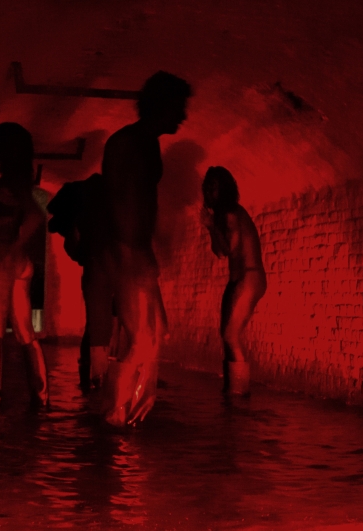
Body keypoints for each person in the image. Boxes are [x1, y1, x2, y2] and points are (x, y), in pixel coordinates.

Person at [101, 71, 192, 427]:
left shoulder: (147, 143)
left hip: (137, 251)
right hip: (127, 251)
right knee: (141, 342)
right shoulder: (127, 143)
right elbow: (118, 202)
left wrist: (146, 254)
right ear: (161, 105)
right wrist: (130, 255)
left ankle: (132, 413)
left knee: (156, 336)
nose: (183, 116)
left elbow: (140, 202)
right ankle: (114, 418)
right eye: (178, 107)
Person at [0, 123, 51, 407]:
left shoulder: (12, 182)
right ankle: (41, 397)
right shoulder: (19, 179)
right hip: (17, 263)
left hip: (1, 260)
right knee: (24, 331)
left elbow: (35, 216)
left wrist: (12, 248)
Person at [46, 171, 116, 389]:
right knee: (103, 319)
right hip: (105, 264)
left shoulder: (87, 202)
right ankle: (99, 376)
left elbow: (74, 242)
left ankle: (92, 375)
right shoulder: (105, 202)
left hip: (95, 265)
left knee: (95, 320)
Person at [201, 166, 265, 396]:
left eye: (214, 188)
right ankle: (232, 391)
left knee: (231, 335)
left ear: (224, 189)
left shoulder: (231, 214)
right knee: (225, 334)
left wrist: (211, 226)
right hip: (238, 279)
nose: (210, 193)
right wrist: (211, 228)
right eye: (208, 188)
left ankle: (238, 393)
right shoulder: (222, 216)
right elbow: (219, 252)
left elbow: (229, 248)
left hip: (249, 277)